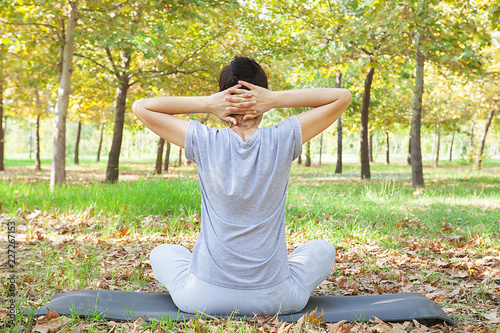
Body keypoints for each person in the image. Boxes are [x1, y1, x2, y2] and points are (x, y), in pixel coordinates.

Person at [132, 56, 352, 316]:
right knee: (322, 249)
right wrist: (275, 99)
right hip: (276, 300)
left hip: (202, 299)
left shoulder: (203, 139)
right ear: (263, 99)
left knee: (163, 251)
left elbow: (141, 107)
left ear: (222, 99)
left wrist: (208, 103)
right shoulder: (282, 138)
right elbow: (342, 96)